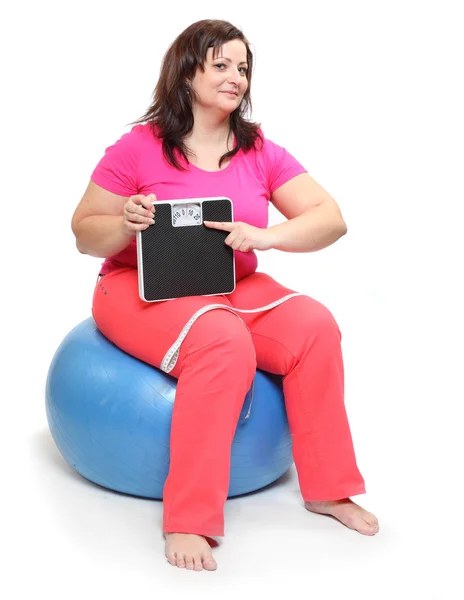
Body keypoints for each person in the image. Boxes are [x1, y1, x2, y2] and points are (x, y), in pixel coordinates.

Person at [71, 19, 379, 572]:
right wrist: (124, 221)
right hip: (136, 288)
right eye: (221, 65)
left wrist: (267, 236)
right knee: (222, 341)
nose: (236, 77)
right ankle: (188, 518)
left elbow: (329, 219)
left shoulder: (258, 150)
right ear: (187, 71)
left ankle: (327, 489)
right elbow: (82, 233)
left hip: (229, 284)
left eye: (243, 68)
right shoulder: (138, 148)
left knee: (314, 324)